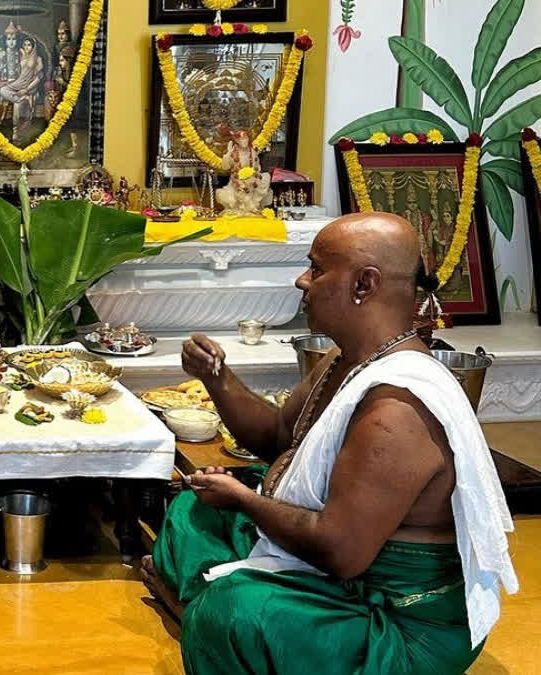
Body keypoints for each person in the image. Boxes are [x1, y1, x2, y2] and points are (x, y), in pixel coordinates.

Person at [139, 212, 517, 674]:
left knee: (232, 610)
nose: (302, 281)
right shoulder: (348, 358)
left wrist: (244, 501)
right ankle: (207, 603)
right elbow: (278, 437)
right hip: (338, 574)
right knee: (191, 512)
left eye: (316, 269)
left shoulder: (396, 408)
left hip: (396, 624)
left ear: (364, 284)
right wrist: (216, 379)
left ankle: (200, 605)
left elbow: (340, 551)